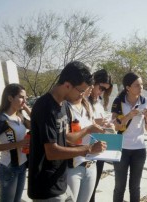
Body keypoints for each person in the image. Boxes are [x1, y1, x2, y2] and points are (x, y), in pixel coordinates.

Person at [27, 61, 107, 201]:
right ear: (67, 85)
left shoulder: (63, 105)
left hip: (60, 181)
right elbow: (52, 152)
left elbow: (65, 140)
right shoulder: (45, 107)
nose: (82, 95)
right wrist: (88, 149)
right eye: (81, 91)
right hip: (45, 187)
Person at [111, 72, 147, 202]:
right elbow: (114, 127)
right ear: (128, 87)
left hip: (139, 149)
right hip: (121, 148)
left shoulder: (146, 102)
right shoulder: (118, 101)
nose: (141, 88)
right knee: (119, 187)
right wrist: (129, 115)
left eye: (141, 85)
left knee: (135, 187)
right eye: (137, 85)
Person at [0, 83, 31, 202]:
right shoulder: (1, 120)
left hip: (22, 166)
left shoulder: (19, 117)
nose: (24, 100)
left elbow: (37, 124)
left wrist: (25, 107)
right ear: (10, 98)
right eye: (21, 97)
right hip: (8, 168)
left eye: (26, 98)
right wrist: (17, 145)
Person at [66, 93, 105, 202]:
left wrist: (103, 128)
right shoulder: (66, 106)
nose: (91, 89)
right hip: (73, 166)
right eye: (88, 86)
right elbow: (67, 138)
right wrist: (88, 129)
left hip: (91, 164)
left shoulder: (87, 106)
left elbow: (92, 130)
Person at [89, 69, 113, 202]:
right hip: (85, 150)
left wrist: (107, 126)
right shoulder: (81, 100)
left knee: (93, 189)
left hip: (99, 148)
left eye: (105, 90)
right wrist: (95, 122)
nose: (102, 92)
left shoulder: (98, 102)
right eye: (101, 87)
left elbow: (100, 124)